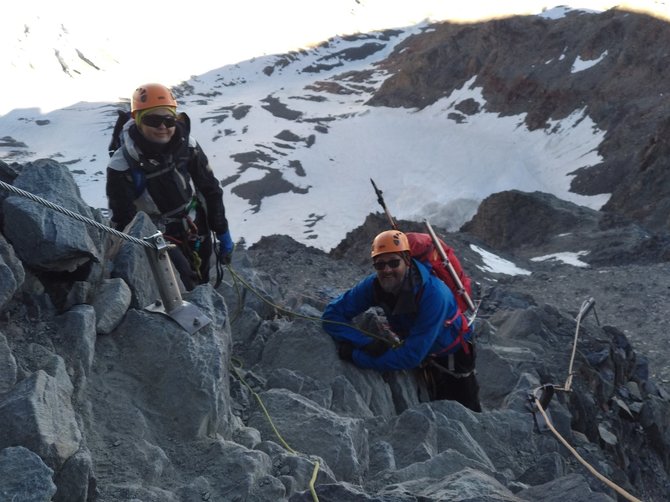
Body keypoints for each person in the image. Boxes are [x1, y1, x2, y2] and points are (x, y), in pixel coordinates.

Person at [321, 229, 481, 412]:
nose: (387, 270)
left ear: (407, 261)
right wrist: (364, 342)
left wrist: (357, 356)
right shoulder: (374, 286)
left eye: (393, 262)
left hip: (454, 354)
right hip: (422, 349)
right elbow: (332, 315)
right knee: (432, 404)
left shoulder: (434, 295)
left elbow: (410, 356)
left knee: (466, 411)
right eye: (380, 265)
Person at [106, 83, 233, 290]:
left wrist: (222, 230)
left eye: (169, 119)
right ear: (137, 120)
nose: (163, 126)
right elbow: (122, 217)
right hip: (157, 235)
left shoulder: (187, 145)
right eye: (153, 120)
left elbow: (209, 188)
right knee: (184, 283)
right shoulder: (121, 165)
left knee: (201, 278)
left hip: (195, 226)